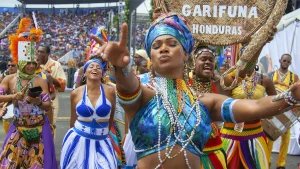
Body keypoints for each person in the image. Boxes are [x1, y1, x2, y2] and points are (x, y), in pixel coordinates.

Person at [91, 13, 300, 169]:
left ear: (185, 55)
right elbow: (127, 83)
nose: (163, 48)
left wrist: (291, 96)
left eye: (172, 43)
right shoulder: (145, 97)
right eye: (156, 46)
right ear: (151, 60)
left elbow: (255, 106)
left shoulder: (204, 103)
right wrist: (121, 67)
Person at [0, 17, 57, 168]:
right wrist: (13, 96)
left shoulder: (40, 80)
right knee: (8, 164)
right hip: (18, 129)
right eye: (28, 63)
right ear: (21, 63)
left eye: (34, 62)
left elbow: (47, 105)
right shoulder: (10, 80)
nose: (32, 66)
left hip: (38, 131)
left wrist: (37, 102)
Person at [221, 47, 277, 169]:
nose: (249, 59)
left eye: (253, 56)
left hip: (255, 133)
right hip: (231, 134)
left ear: (256, 59)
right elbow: (222, 105)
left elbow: (275, 105)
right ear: (240, 58)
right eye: (246, 56)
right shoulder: (230, 78)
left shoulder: (265, 80)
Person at [60, 59, 117, 169]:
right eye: (91, 66)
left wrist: (102, 133)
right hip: (78, 141)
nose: (95, 68)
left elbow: (111, 118)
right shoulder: (76, 93)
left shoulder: (110, 92)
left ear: (102, 73)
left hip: (102, 141)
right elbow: (73, 120)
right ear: (85, 73)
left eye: (98, 67)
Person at [191, 46, 227, 169]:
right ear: (194, 63)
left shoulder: (219, 85)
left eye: (211, 60)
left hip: (214, 147)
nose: (207, 62)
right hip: (190, 149)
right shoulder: (184, 83)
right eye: (203, 59)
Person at [267, 54, 299, 169]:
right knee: (269, 136)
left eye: (288, 61)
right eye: (284, 60)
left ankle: (281, 164)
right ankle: (267, 162)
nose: (285, 62)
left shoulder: (294, 77)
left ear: (290, 63)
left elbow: (297, 92)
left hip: (286, 111)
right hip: (272, 109)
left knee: (286, 138)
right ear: (280, 60)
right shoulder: (271, 75)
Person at [37, 44, 67, 136]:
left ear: (48, 53)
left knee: (51, 124)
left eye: (42, 52)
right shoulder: (33, 63)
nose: (39, 53)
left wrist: (49, 77)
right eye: (38, 51)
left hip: (51, 97)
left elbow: (62, 84)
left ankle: (49, 148)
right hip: (36, 98)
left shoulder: (56, 65)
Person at [0, 58, 18, 134]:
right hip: (7, 107)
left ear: (18, 66)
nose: (10, 67)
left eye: (13, 65)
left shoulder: (23, 77)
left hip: (20, 107)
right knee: (9, 134)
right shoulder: (3, 76)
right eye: (9, 65)